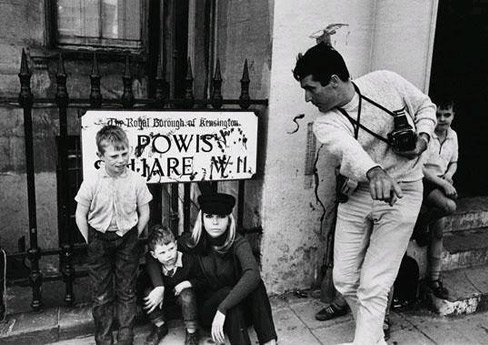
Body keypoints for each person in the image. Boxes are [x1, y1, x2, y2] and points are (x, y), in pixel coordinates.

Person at [293, 43, 436, 345]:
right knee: (344, 279)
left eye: (310, 88)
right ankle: (373, 339)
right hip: (358, 193)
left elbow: (425, 106)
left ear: (334, 81)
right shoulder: (326, 122)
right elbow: (349, 150)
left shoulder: (385, 81)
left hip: (404, 191)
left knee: (374, 284)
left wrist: (422, 140)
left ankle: (366, 341)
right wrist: (374, 172)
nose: (307, 97)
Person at [75, 125, 152, 345]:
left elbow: (145, 211)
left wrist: (134, 235)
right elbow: (80, 214)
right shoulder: (92, 181)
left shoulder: (136, 180)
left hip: (128, 238)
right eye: (114, 156)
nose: (120, 160)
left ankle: (126, 336)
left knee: (127, 290)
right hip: (99, 238)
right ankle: (104, 339)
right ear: (101, 156)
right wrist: (90, 240)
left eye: (124, 154)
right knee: (101, 295)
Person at [181, 192, 278, 345]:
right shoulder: (191, 241)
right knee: (228, 293)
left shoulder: (237, 241)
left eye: (220, 217)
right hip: (209, 313)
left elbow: (253, 274)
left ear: (228, 220)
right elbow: (156, 252)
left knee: (256, 285)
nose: (215, 222)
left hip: (232, 311)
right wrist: (158, 286)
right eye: (209, 216)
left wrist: (224, 307)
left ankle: (269, 342)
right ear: (202, 219)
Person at [413, 99, 459, 299]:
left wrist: (449, 176)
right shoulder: (426, 134)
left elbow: (454, 162)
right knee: (449, 206)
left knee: (438, 233)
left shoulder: (453, 135)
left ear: (453, 115)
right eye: (438, 114)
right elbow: (420, 167)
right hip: (424, 181)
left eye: (447, 115)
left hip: (440, 181)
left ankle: (434, 279)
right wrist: (444, 184)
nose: (442, 119)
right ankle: (421, 224)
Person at [141, 225, 202, 345]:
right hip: (163, 301)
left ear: (176, 244)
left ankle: (192, 332)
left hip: (184, 300)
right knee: (148, 293)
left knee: (187, 294)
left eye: (171, 249)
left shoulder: (188, 261)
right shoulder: (154, 266)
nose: (168, 255)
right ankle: (160, 326)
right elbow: (140, 285)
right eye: (162, 252)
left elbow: (202, 280)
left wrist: (188, 283)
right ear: (154, 255)